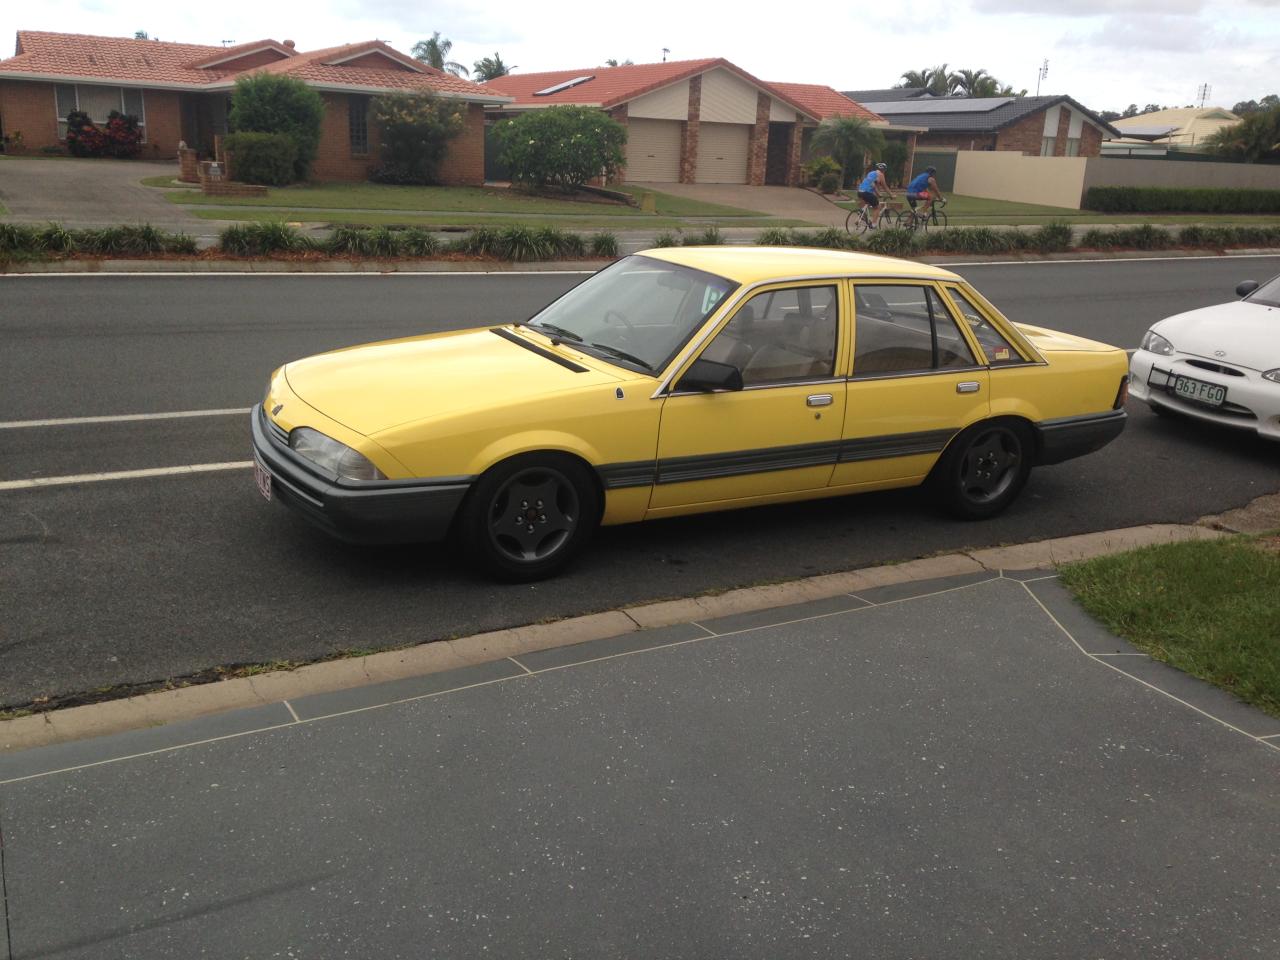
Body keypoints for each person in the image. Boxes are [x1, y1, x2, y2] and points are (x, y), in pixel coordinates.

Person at [856, 162, 895, 228]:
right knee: (877, 207)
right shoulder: (881, 174)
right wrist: (891, 195)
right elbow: (885, 187)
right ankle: (873, 224)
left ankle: (861, 214)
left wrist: (878, 193)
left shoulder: (871, 173)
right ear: (884, 170)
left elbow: (873, 185)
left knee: (868, 202)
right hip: (866, 192)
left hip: (860, 191)